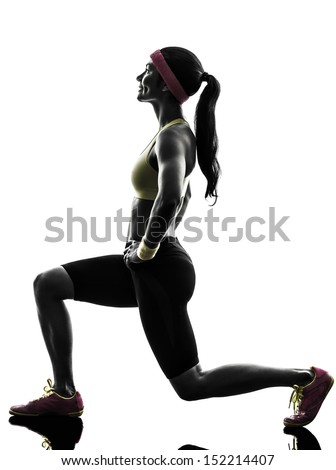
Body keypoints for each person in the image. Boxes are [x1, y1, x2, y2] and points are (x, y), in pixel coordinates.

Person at [10, 47, 333, 427]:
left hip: (159, 269)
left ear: (165, 85)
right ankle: (65, 395)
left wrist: (147, 248)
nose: (139, 77)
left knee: (190, 384)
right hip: (146, 267)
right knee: (47, 283)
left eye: (147, 70)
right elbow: (182, 198)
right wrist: (144, 251)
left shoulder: (174, 137)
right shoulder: (168, 135)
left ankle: (307, 379)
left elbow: (172, 196)